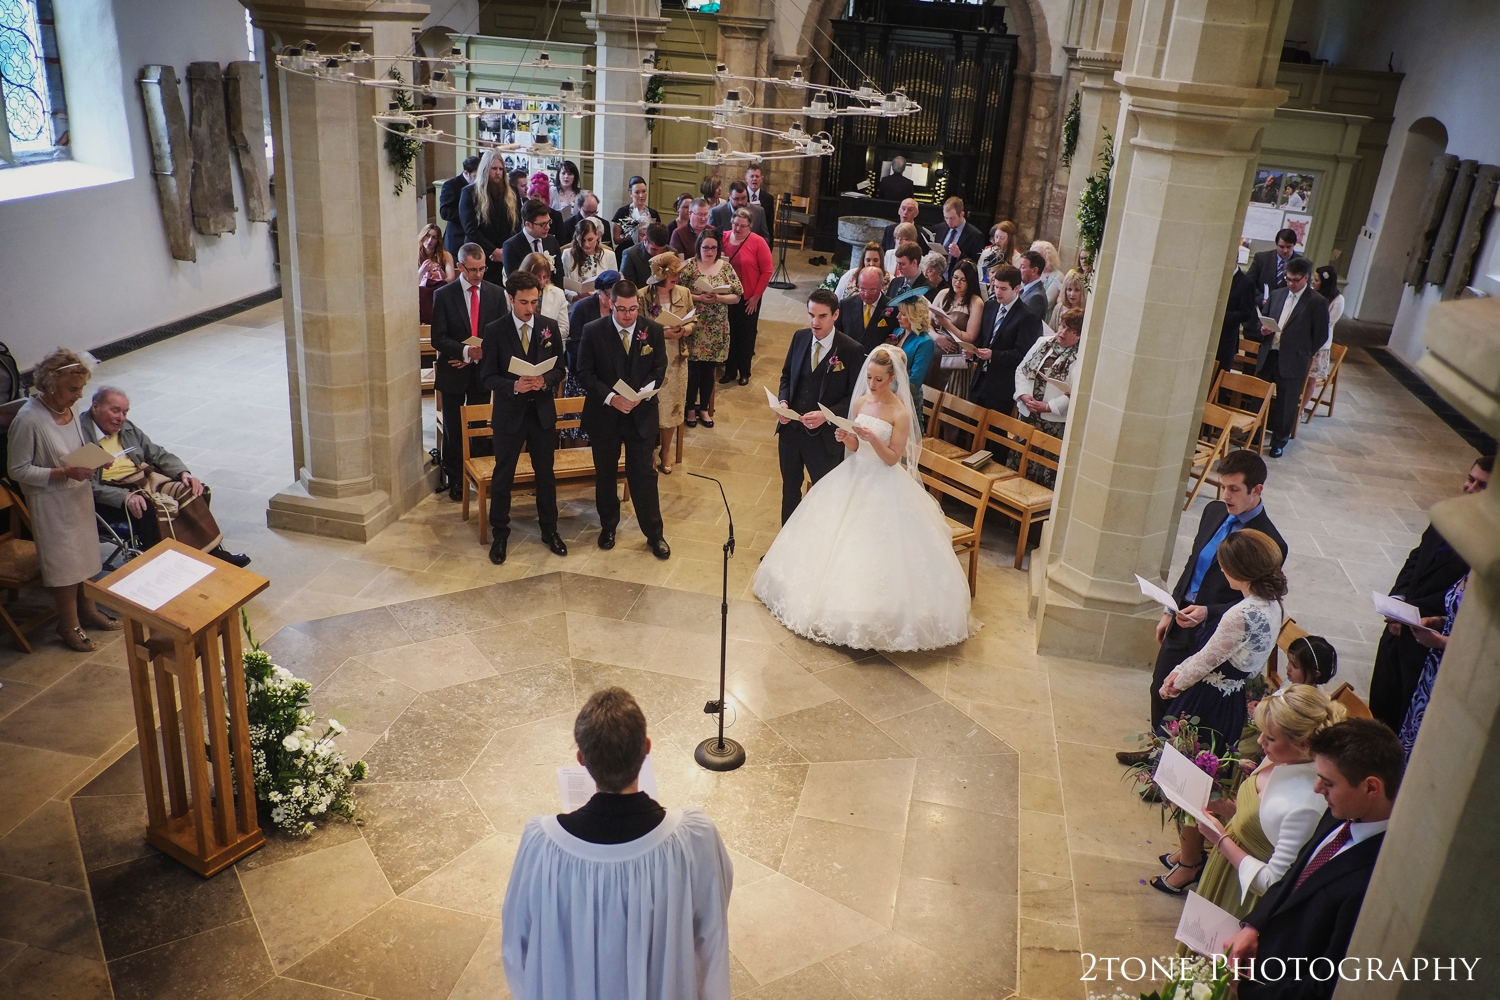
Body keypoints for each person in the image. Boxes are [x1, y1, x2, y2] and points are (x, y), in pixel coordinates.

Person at [501, 687, 732, 1000]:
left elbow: (517, 948)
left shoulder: (540, 846)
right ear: (646, 748)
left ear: (581, 759)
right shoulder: (694, 840)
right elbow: (712, 934)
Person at [755, 342, 978, 650]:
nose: (872, 385)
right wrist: (847, 437)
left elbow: (891, 458)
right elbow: (855, 448)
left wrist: (872, 437)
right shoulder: (860, 403)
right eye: (869, 377)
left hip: (884, 481)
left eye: (879, 380)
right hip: (854, 474)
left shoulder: (900, 413)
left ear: (892, 379)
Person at [1117, 449, 1287, 751]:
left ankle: (1171, 765)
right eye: (1222, 486)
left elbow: (1256, 599)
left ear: (1257, 490)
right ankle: (1156, 754)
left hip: (1221, 631)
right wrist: (1171, 609)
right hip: (1182, 618)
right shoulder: (1213, 511)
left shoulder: (1269, 541)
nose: (1226, 495)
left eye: (1234, 489)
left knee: (1190, 704)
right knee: (1161, 687)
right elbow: (1193, 565)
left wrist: (1208, 611)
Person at [1226, 719, 1402, 999]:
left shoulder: (1378, 877)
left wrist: (1249, 992)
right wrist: (1254, 924)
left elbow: (1328, 983)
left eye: (1329, 782)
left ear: (1371, 787)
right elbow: (1296, 874)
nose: (1317, 788)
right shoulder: (1339, 813)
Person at [1154, 684, 1339, 902]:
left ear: (1303, 743)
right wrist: (1217, 804)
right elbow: (1259, 817)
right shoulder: (1283, 757)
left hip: (1244, 892)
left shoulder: (1306, 805)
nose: (1260, 742)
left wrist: (1219, 839)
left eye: (1270, 737)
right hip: (1226, 864)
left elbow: (1273, 883)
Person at [6, 350, 118, 652]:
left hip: (77, 497)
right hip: (50, 504)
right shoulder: (29, 419)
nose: (78, 395)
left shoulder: (69, 410)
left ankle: (89, 610)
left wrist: (95, 459)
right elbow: (17, 470)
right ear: (52, 384)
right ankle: (68, 625)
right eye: (72, 389)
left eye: (81, 388)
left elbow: (76, 447)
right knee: (66, 567)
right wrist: (64, 472)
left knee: (86, 557)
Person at [1368, 456, 1485, 730]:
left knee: (1404, 721)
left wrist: (1415, 612)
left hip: (1428, 644)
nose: (1470, 488)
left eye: (1482, 485)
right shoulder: (1447, 516)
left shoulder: (1489, 545)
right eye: (1470, 479)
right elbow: (1417, 559)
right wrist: (1398, 599)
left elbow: (1461, 597)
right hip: (1399, 629)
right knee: (1379, 710)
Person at [82, 387, 250, 565]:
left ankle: (213, 553)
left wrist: (183, 473)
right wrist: (124, 496)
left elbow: (157, 453)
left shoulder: (127, 428)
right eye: (115, 411)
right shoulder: (80, 436)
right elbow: (87, 484)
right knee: (147, 506)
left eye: (124, 412)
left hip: (142, 478)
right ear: (95, 407)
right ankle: (165, 563)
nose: (121, 418)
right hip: (113, 490)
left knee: (191, 490)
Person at [1157, 528, 1286, 751]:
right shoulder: (1273, 605)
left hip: (1208, 700)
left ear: (1241, 570)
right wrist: (1180, 668)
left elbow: (1206, 660)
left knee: (1183, 762)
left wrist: (1173, 685)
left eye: (1224, 564)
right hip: (1232, 698)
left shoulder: (1241, 613)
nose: (1223, 569)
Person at [577, 280, 671, 560]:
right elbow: (584, 373)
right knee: (605, 475)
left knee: (644, 476)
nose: (628, 315)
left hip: (640, 415)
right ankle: (608, 527)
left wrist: (640, 395)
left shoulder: (652, 330)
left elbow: (659, 367)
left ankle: (655, 534)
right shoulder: (593, 331)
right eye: (622, 309)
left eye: (632, 309)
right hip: (605, 415)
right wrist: (612, 398)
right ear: (610, 303)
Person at [479, 272, 568, 566]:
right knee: (503, 475)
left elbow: (560, 367)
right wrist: (513, 386)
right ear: (510, 299)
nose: (530, 309)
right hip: (510, 413)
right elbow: (487, 376)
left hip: (541, 413)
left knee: (546, 474)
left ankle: (549, 530)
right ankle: (500, 534)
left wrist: (545, 380)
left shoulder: (549, 327)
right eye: (524, 302)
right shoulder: (495, 331)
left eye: (534, 301)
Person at [771, 289, 865, 524]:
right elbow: (786, 376)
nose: (815, 322)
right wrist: (783, 401)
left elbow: (854, 397)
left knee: (825, 494)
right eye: (811, 314)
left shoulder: (850, 349)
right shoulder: (799, 337)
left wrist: (826, 415)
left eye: (822, 316)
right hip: (791, 433)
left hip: (824, 439)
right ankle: (785, 549)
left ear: (835, 315)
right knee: (789, 490)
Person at [431, 244, 507, 500]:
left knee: (478, 424)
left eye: (482, 268)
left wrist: (478, 354)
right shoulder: (444, 295)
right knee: (454, 427)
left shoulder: (496, 294)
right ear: (461, 266)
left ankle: (478, 473)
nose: (478, 274)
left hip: (481, 372)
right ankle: (455, 478)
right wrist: (465, 352)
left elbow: (499, 334)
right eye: (473, 269)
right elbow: (438, 338)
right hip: (453, 371)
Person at [1256, 257, 1328, 457]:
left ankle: (1279, 441)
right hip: (1270, 353)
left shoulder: (1316, 302)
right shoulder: (1278, 294)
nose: (1291, 283)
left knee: (1286, 403)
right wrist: (1262, 330)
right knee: (1259, 395)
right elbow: (1264, 316)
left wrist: (1304, 352)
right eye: (1288, 279)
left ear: (1305, 278)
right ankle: (1254, 434)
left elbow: (1321, 334)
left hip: (1294, 359)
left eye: (1295, 280)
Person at [1398, 572, 1466, 758]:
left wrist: (1442, 641)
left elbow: (1489, 645)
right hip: (1434, 669)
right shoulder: (1474, 571)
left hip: (1461, 670)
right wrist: (1438, 621)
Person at [1012, 307, 1082, 484]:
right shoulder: (1043, 343)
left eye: (1070, 330)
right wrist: (1024, 395)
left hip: (1052, 421)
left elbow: (1077, 392)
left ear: (1080, 335)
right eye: (1062, 326)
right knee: (1020, 458)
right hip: (1028, 412)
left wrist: (1048, 406)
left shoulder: (1081, 357)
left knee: (1043, 468)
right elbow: (1022, 369)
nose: (1062, 332)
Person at [681, 230, 742, 429]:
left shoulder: (725, 267)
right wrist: (699, 298)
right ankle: (690, 408)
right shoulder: (690, 266)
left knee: (709, 371)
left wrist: (719, 298)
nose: (709, 251)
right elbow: (678, 291)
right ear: (699, 246)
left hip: (716, 326)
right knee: (693, 369)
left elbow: (737, 295)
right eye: (705, 247)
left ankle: (704, 409)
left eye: (713, 247)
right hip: (695, 325)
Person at [970, 265, 1043, 417]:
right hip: (980, 378)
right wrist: (972, 351)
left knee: (994, 431)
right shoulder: (990, 306)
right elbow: (983, 339)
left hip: (1002, 384)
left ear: (1016, 288)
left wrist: (993, 355)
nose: (997, 292)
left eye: (1003, 288)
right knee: (972, 426)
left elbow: (1022, 354)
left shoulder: (1026, 316)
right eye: (995, 287)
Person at [645, 252, 695, 476]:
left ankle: (666, 451)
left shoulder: (684, 293)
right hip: (650, 357)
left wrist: (684, 330)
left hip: (676, 357)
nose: (676, 278)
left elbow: (693, 321)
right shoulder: (642, 295)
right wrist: (662, 333)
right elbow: (640, 327)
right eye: (672, 275)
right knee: (650, 407)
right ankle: (648, 452)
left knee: (672, 407)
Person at [720, 207, 772, 387]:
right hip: (727, 295)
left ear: (750, 226)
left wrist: (756, 297)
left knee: (745, 335)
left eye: (742, 225)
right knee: (729, 333)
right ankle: (729, 370)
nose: (738, 229)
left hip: (749, 297)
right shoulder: (724, 238)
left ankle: (744, 371)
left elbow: (767, 271)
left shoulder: (758, 242)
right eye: (735, 224)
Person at [459, 149, 519, 285]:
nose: (498, 172)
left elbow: (517, 226)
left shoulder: (512, 193)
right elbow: (471, 229)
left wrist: (505, 250)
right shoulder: (469, 193)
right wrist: (493, 250)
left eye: (501, 169)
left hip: (505, 256)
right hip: (480, 255)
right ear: (485, 170)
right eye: (494, 169)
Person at [931, 260, 984, 397]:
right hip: (933, 350)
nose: (957, 283)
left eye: (963, 280)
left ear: (970, 282)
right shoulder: (943, 293)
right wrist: (936, 337)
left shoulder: (976, 302)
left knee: (948, 398)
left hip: (956, 357)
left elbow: (970, 337)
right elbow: (926, 322)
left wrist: (947, 323)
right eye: (955, 278)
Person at [885, 290, 936, 401]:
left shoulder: (925, 342)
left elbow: (915, 381)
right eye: (899, 312)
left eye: (903, 314)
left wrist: (890, 399)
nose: (897, 317)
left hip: (904, 398)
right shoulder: (898, 331)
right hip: (885, 390)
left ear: (915, 316)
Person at [1244, 228, 1304, 312]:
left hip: (1284, 312)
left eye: (1289, 247)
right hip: (1258, 311)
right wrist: (1261, 299)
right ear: (1276, 244)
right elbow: (1249, 283)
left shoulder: (1302, 264)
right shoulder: (1262, 258)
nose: (1285, 250)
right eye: (1281, 247)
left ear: (1294, 245)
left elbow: (1302, 290)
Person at [504, 199, 564, 281]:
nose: (548, 227)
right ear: (528, 224)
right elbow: (514, 281)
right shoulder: (511, 246)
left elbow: (559, 276)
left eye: (549, 222)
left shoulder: (551, 241)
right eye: (543, 224)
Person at [519, 251, 570, 348]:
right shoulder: (515, 294)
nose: (542, 282)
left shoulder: (557, 294)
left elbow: (564, 328)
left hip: (549, 348)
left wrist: (544, 336)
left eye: (545, 277)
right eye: (538, 277)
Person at [839, 265, 895, 353]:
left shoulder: (893, 307)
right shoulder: (846, 305)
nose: (866, 294)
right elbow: (838, 336)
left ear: (882, 285)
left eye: (872, 290)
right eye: (862, 289)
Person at [560, 217, 618, 300]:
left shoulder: (609, 255)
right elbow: (562, 284)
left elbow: (614, 284)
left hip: (600, 302)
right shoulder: (568, 254)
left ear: (597, 236)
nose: (586, 244)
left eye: (590, 239)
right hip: (575, 304)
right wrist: (575, 296)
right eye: (582, 240)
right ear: (576, 238)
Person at [1217, 263, 1260, 374]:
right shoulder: (1217, 276)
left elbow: (1246, 314)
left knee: (1220, 377)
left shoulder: (1246, 283)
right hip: (1209, 335)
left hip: (1226, 339)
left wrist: (1222, 315)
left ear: (1235, 259)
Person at [1307, 264, 1344, 383]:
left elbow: (1327, 322)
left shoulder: (1338, 300)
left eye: (1316, 280)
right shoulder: (1310, 293)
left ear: (1325, 282)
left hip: (1320, 343)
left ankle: (1303, 402)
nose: (1312, 282)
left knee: (1310, 379)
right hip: (1305, 339)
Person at [438, 154, 480, 256]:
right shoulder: (451, 185)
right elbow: (445, 213)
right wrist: (468, 213)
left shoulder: (480, 186)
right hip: (457, 238)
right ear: (466, 173)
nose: (479, 179)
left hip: (476, 236)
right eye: (475, 176)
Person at [417, 222, 455, 325]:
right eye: (427, 236)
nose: (430, 240)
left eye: (434, 238)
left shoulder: (445, 255)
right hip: (420, 290)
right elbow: (411, 282)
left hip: (439, 289)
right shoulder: (414, 253)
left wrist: (439, 277)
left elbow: (451, 278)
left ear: (438, 241)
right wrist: (422, 271)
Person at [938, 197, 986, 274]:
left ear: (962, 214)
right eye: (946, 218)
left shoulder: (975, 235)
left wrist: (960, 255)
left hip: (958, 279)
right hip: (938, 277)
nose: (949, 222)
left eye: (952, 218)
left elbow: (975, 265)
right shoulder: (940, 228)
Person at [611, 175, 660, 245]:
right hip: (625, 249)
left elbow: (658, 237)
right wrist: (632, 234)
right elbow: (616, 240)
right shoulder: (622, 212)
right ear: (630, 193)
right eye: (637, 192)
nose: (641, 195)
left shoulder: (653, 214)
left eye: (644, 191)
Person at [622, 221, 670, 290]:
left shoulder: (671, 252)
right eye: (654, 249)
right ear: (645, 240)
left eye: (662, 250)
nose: (658, 254)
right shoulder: (630, 255)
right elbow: (627, 287)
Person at [1030, 240, 1064, 309]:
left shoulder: (1057, 275)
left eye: (1038, 255)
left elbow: (1048, 301)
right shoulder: (1031, 272)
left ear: (1048, 256)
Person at [1016, 251, 1049, 321]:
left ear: (1034, 271)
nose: (1018, 269)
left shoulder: (1036, 297)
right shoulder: (1026, 290)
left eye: (1022, 267)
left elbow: (1028, 324)